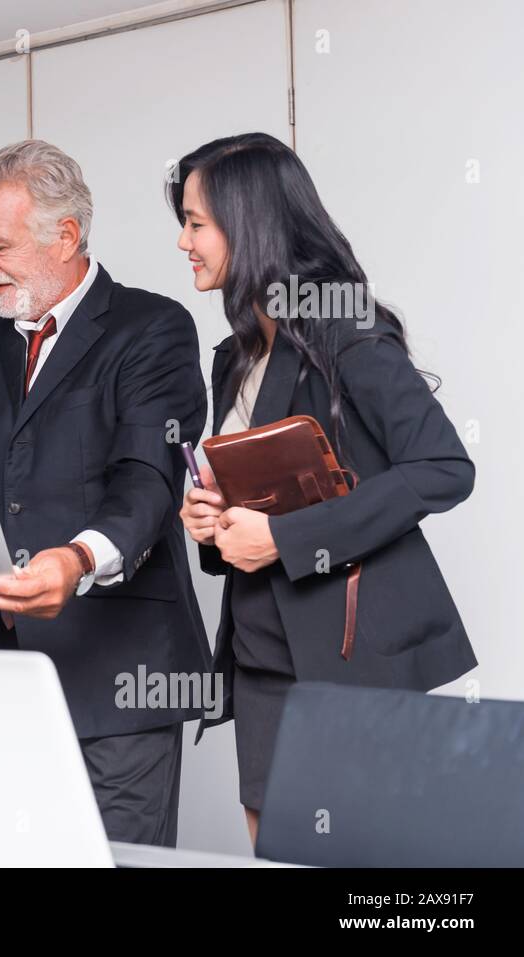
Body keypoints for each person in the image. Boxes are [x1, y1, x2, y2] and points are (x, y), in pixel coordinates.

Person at [0, 140, 211, 846]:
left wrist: (78, 559)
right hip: (10, 677)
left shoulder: (152, 328)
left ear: (66, 235)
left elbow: (147, 477)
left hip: (121, 678)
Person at [174, 132, 477, 846]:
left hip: (351, 654)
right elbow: (259, 497)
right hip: (259, 653)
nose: (182, 240)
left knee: (368, 869)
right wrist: (213, 519)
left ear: (247, 222)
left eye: (195, 221)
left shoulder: (344, 331)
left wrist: (282, 538)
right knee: (276, 849)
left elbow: (443, 467)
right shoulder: (234, 356)